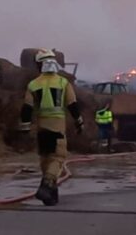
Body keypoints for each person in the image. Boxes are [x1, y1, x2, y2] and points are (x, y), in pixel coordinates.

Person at [18, 49, 84, 206]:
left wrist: (25, 128)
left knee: (46, 158)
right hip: (57, 127)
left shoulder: (33, 84)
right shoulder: (62, 83)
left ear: (39, 64)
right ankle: (47, 184)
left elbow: (26, 109)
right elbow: (73, 105)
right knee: (58, 157)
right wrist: (79, 122)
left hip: (42, 128)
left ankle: (51, 195)